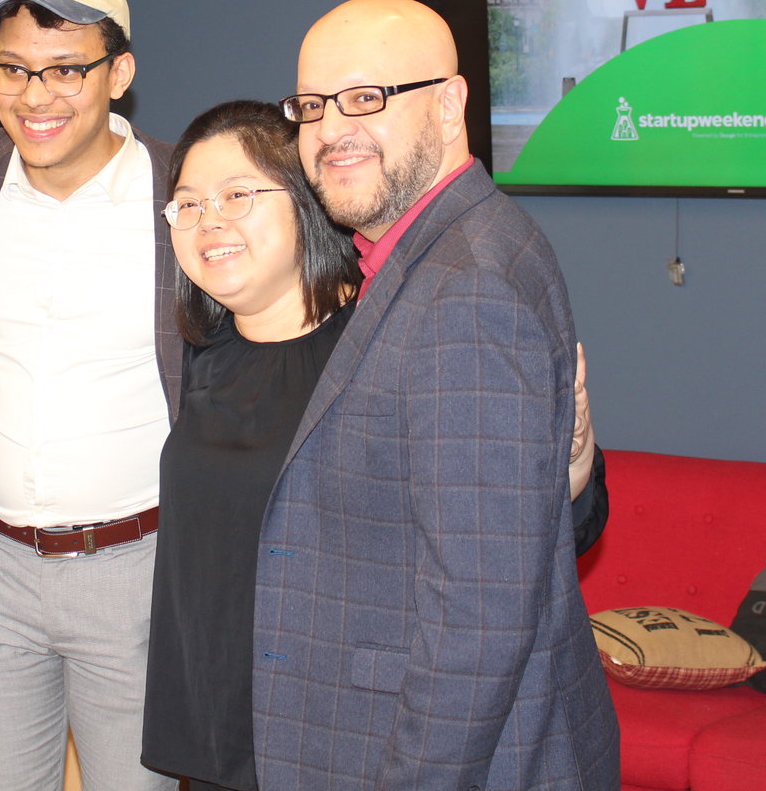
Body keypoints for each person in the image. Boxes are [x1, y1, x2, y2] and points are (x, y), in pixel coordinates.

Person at [142, 101, 608, 791]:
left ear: (304, 202)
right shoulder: (199, 355)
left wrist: (573, 465)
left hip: (344, 736)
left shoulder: (390, 337)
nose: (209, 220)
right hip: (218, 736)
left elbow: (510, 555)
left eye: (237, 195)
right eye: (187, 205)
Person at [250, 0, 622, 789]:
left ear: (450, 104)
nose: (331, 130)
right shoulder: (433, 253)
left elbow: (478, 621)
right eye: (312, 107)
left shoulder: (467, 289)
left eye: (367, 98)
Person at [0, 0, 178, 791]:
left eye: (66, 69)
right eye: (15, 69)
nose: (36, 96)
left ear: (120, 72)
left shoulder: (187, 190)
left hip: (135, 571)